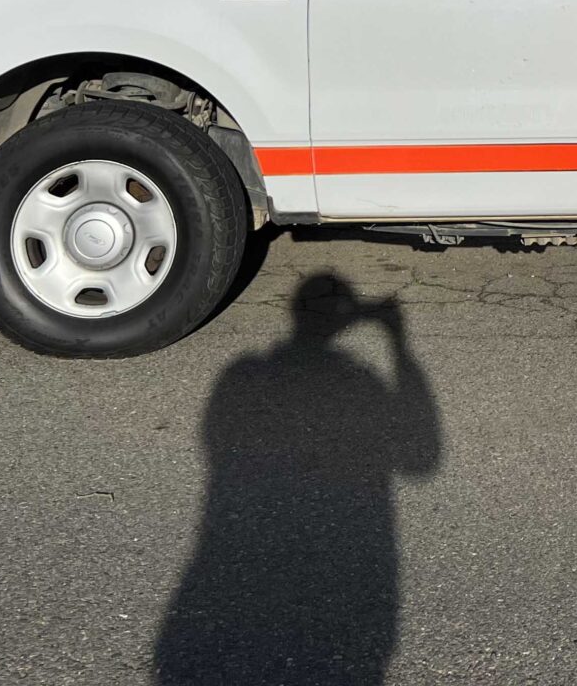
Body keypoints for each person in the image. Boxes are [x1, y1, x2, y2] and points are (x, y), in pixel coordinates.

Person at [155, 274, 441, 685]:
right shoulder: (359, 381)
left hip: (223, 577)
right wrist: (398, 342)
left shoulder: (242, 375)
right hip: (349, 581)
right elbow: (421, 460)